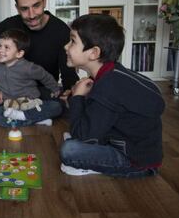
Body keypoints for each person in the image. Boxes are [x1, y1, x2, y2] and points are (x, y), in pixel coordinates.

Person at [59, 14, 165, 178]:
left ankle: (93, 165)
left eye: (73, 41)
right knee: (73, 138)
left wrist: (77, 98)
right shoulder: (110, 72)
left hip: (136, 160)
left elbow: (83, 135)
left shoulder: (108, 86)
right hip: (123, 140)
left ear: (93, 53)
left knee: (69, 150)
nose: (66, 46)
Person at [0, 28, 62, 127]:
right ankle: (34, 119)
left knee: (56, 106)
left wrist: (54, 88)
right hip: (11, 105)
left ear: (19, 53)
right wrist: (0, 92)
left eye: (6, 47)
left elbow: (44, 75)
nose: (0, 50)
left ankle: (25, 116)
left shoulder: (28, 67)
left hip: (30, 103)